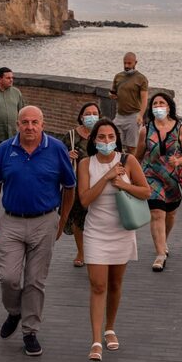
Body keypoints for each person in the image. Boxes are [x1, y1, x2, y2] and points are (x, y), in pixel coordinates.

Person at [0, 106, 76, 357]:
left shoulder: (56, 149)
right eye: (25, 122)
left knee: (35, 280)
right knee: (9, 278)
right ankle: (14, 311)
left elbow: (69, 187)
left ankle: (29, 331)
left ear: (43, 124)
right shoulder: (4, 150)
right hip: (12, 221)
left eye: (35, 122)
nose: (30, 127)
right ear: (17, 125)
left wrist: (62, 218)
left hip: (45, 222)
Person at [77, 119, 150, 362]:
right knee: (98, 286)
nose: (106, 141)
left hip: (122, 231)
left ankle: (110, 328)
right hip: (96, 232)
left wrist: (122, 184)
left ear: (116, 139)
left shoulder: (128, 161)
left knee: (116, 284)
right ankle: (96, 340)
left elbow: (146, 191)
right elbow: (85, 200)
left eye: (110, 137)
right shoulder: (86, 164)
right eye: (101, 137)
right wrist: (107, 177)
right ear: (94, 140)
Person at [135, 92, 182, 272]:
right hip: (151, 175)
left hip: (174, 177)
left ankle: (163, 241)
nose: (158, 107)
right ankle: (160, 254)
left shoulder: (180, 129)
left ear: (169, 107)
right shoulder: (145, 130)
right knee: (157, 213)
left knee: (170, 214)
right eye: (155, 104)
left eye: (162, 103)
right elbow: (137, 156)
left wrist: (179, 161)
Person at [57, 102, 100, 267]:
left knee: (96, 218)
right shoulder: (71, 136)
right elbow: (57, 159)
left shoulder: (103, 134)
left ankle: (95, 250)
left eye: (94, 113)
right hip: (76, 183)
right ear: (81, 116)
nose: (91, 117)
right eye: (87, 114)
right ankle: (81, 252)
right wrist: (68, 156)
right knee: (77, 219)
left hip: (97, 183)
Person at [110, 52, 149, 153]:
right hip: (119, 115)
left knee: (131, 147)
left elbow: (144, 99)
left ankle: (131, 167)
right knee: (114, 143)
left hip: (133, 116)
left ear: (135, 63)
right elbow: (113, 92)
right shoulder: (118, 76)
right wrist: (112, 96)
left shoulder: (141, 78)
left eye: (129, 63)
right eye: (125, 63)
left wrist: (141, 115)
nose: (126, 66)